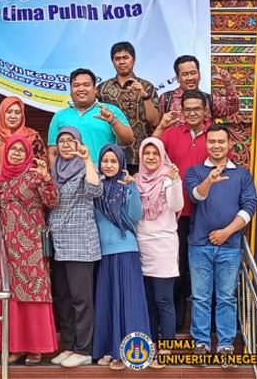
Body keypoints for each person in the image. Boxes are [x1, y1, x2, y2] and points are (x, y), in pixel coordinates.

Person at [0, 135, 60, 365]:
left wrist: (46, 178)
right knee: (10, 294)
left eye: (22, 150)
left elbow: (52, 202)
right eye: (13, 149)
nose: (17, 154)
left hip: (32, 246)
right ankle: (14, 346)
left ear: (28, 154)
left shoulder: (35, 176)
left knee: (34, 293)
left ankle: (35, 347)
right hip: (7, 247)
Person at [185, 124, 257, 364]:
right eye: (212, 141)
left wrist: (227, 232)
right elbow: (195, 196)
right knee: (200, 297)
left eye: (221, 141)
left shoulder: (242, 175)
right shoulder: (195, 171)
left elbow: (249, 207)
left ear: (229, 145)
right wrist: (209, 180)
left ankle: (226, 344)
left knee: (226, 297)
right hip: (199, 245)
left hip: (230, 245)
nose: (216, 145)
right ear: (206, 144)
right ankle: (201, 343)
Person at [153, 89, 211, 330]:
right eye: (188, 109)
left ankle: (206, 327)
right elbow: (151, 150)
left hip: (207, 213)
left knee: (202, 269)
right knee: (176, 267)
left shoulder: (214, 135)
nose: (192, 113)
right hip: (175, 214)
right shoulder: (171, 133)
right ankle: (175, 323)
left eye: (197, 109)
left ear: (205, 110)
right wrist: (160, 126)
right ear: (182, 111)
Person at [46, 127, 101, 368]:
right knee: (63, 297)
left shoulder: (85, 169)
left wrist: (88, 160)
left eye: (71, 141)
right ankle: (69, 345)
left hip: (80, 244)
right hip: (58, 244)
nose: (66, 145)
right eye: (62, 141)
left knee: (81, 299)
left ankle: (83, 349)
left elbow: (95, 190)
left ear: (79, 144)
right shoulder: (54, 171)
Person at [92, 144, 150, 370]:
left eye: (113, 161)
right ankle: (109, 348)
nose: (108, 165)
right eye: (105, 161)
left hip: (126, 250)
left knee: (128, 302)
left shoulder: (126, 187)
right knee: (107, 302)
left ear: (121, 164)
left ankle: (129, 351)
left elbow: (136, 215)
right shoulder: (95, 188)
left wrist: (132, 187)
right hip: (103, 253)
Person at [134, 137, 184, 365]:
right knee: (149, 301)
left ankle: (167, 347)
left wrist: (175, 181)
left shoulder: (168, 179)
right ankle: (152, 344)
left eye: (156, 153)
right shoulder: (136, 181)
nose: (151, 157)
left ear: (163, 156)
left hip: (164, 245)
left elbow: (176, 206)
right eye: (147, 153)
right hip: (142, 245)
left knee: (163, 299)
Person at [48, 68, 134, 167]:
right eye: (76, 85)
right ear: (70, 91)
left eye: (86, 85)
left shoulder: (110, 111)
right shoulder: (59, 116)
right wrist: (55, 174)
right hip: (70, 175)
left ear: (95, 89)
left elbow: (128, 140)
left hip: (104, 173)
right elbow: (53, 152)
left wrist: (113, 121)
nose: (81, 89)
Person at [97, 42, 160, 174]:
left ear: (134, 60)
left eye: (125, 58)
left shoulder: (146, 86)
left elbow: (154, 121)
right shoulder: (102, 89)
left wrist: (145, 96)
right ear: (113, 62)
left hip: (139, 155)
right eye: (117, 59)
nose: (121, 62)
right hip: (111, 155)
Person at [158, 55, 239, 127]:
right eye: (185, 74)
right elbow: (156, 124)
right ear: (178, 78)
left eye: (193, 73)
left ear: (199, 75)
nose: (190, 78)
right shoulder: (166, 99)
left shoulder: (209, 99)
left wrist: (228, 83)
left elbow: (232, 108)